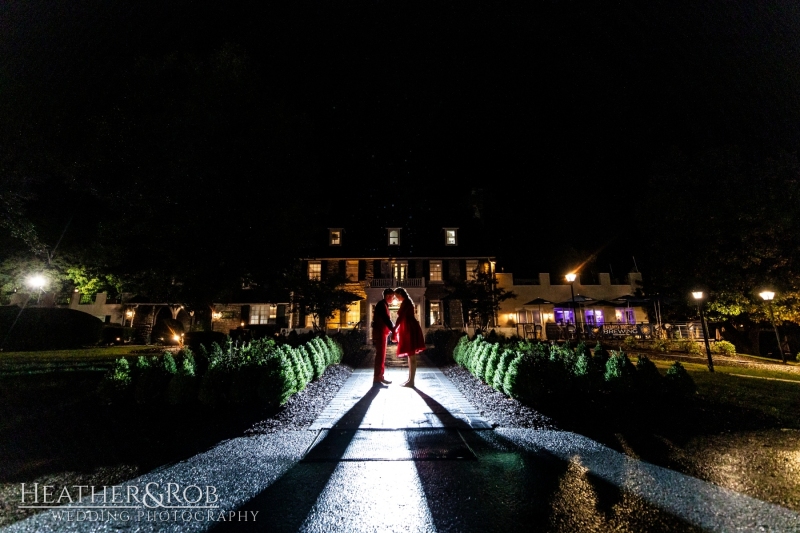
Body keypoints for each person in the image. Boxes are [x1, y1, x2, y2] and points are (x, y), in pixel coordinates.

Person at [393, 287, 426, 387]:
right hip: (409, 327)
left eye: (396, 295)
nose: (396, 297)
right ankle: (410, 379)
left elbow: (401, 317)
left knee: (411, 355)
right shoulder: (406, 302)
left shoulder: (406, 302)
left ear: (400, 294)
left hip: (409, 329)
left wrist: (394, 329)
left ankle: (411, 381)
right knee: (410, 355)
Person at [371, 288, 396, 386]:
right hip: (380, 332)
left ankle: (380, 376)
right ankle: (378, 377)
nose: (393, 298)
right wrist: (393, 328)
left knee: (382, 356)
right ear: (388, 296)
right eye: (392, 297)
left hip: (382, 333)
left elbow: (386, 319)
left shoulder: (383, 304)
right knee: (380, 356)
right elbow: (386, 319)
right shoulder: (382, 305)